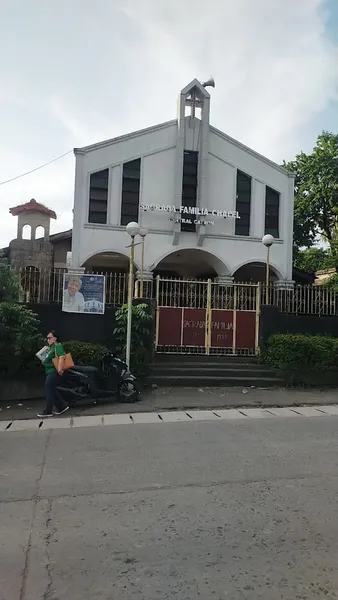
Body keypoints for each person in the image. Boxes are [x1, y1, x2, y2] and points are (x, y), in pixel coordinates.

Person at [37, 331, 69, 418]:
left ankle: (48, 411)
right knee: (52, 390)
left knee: (49, 390)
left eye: (49, 338)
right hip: (50, 372)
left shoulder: (58, 346)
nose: (48, 340)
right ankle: (62, 406)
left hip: (54, 372)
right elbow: (51, 361)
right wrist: (45, 362)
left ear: (55, 338)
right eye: (47, 338)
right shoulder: (51, 348)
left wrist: (59, 369)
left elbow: (62, 357)